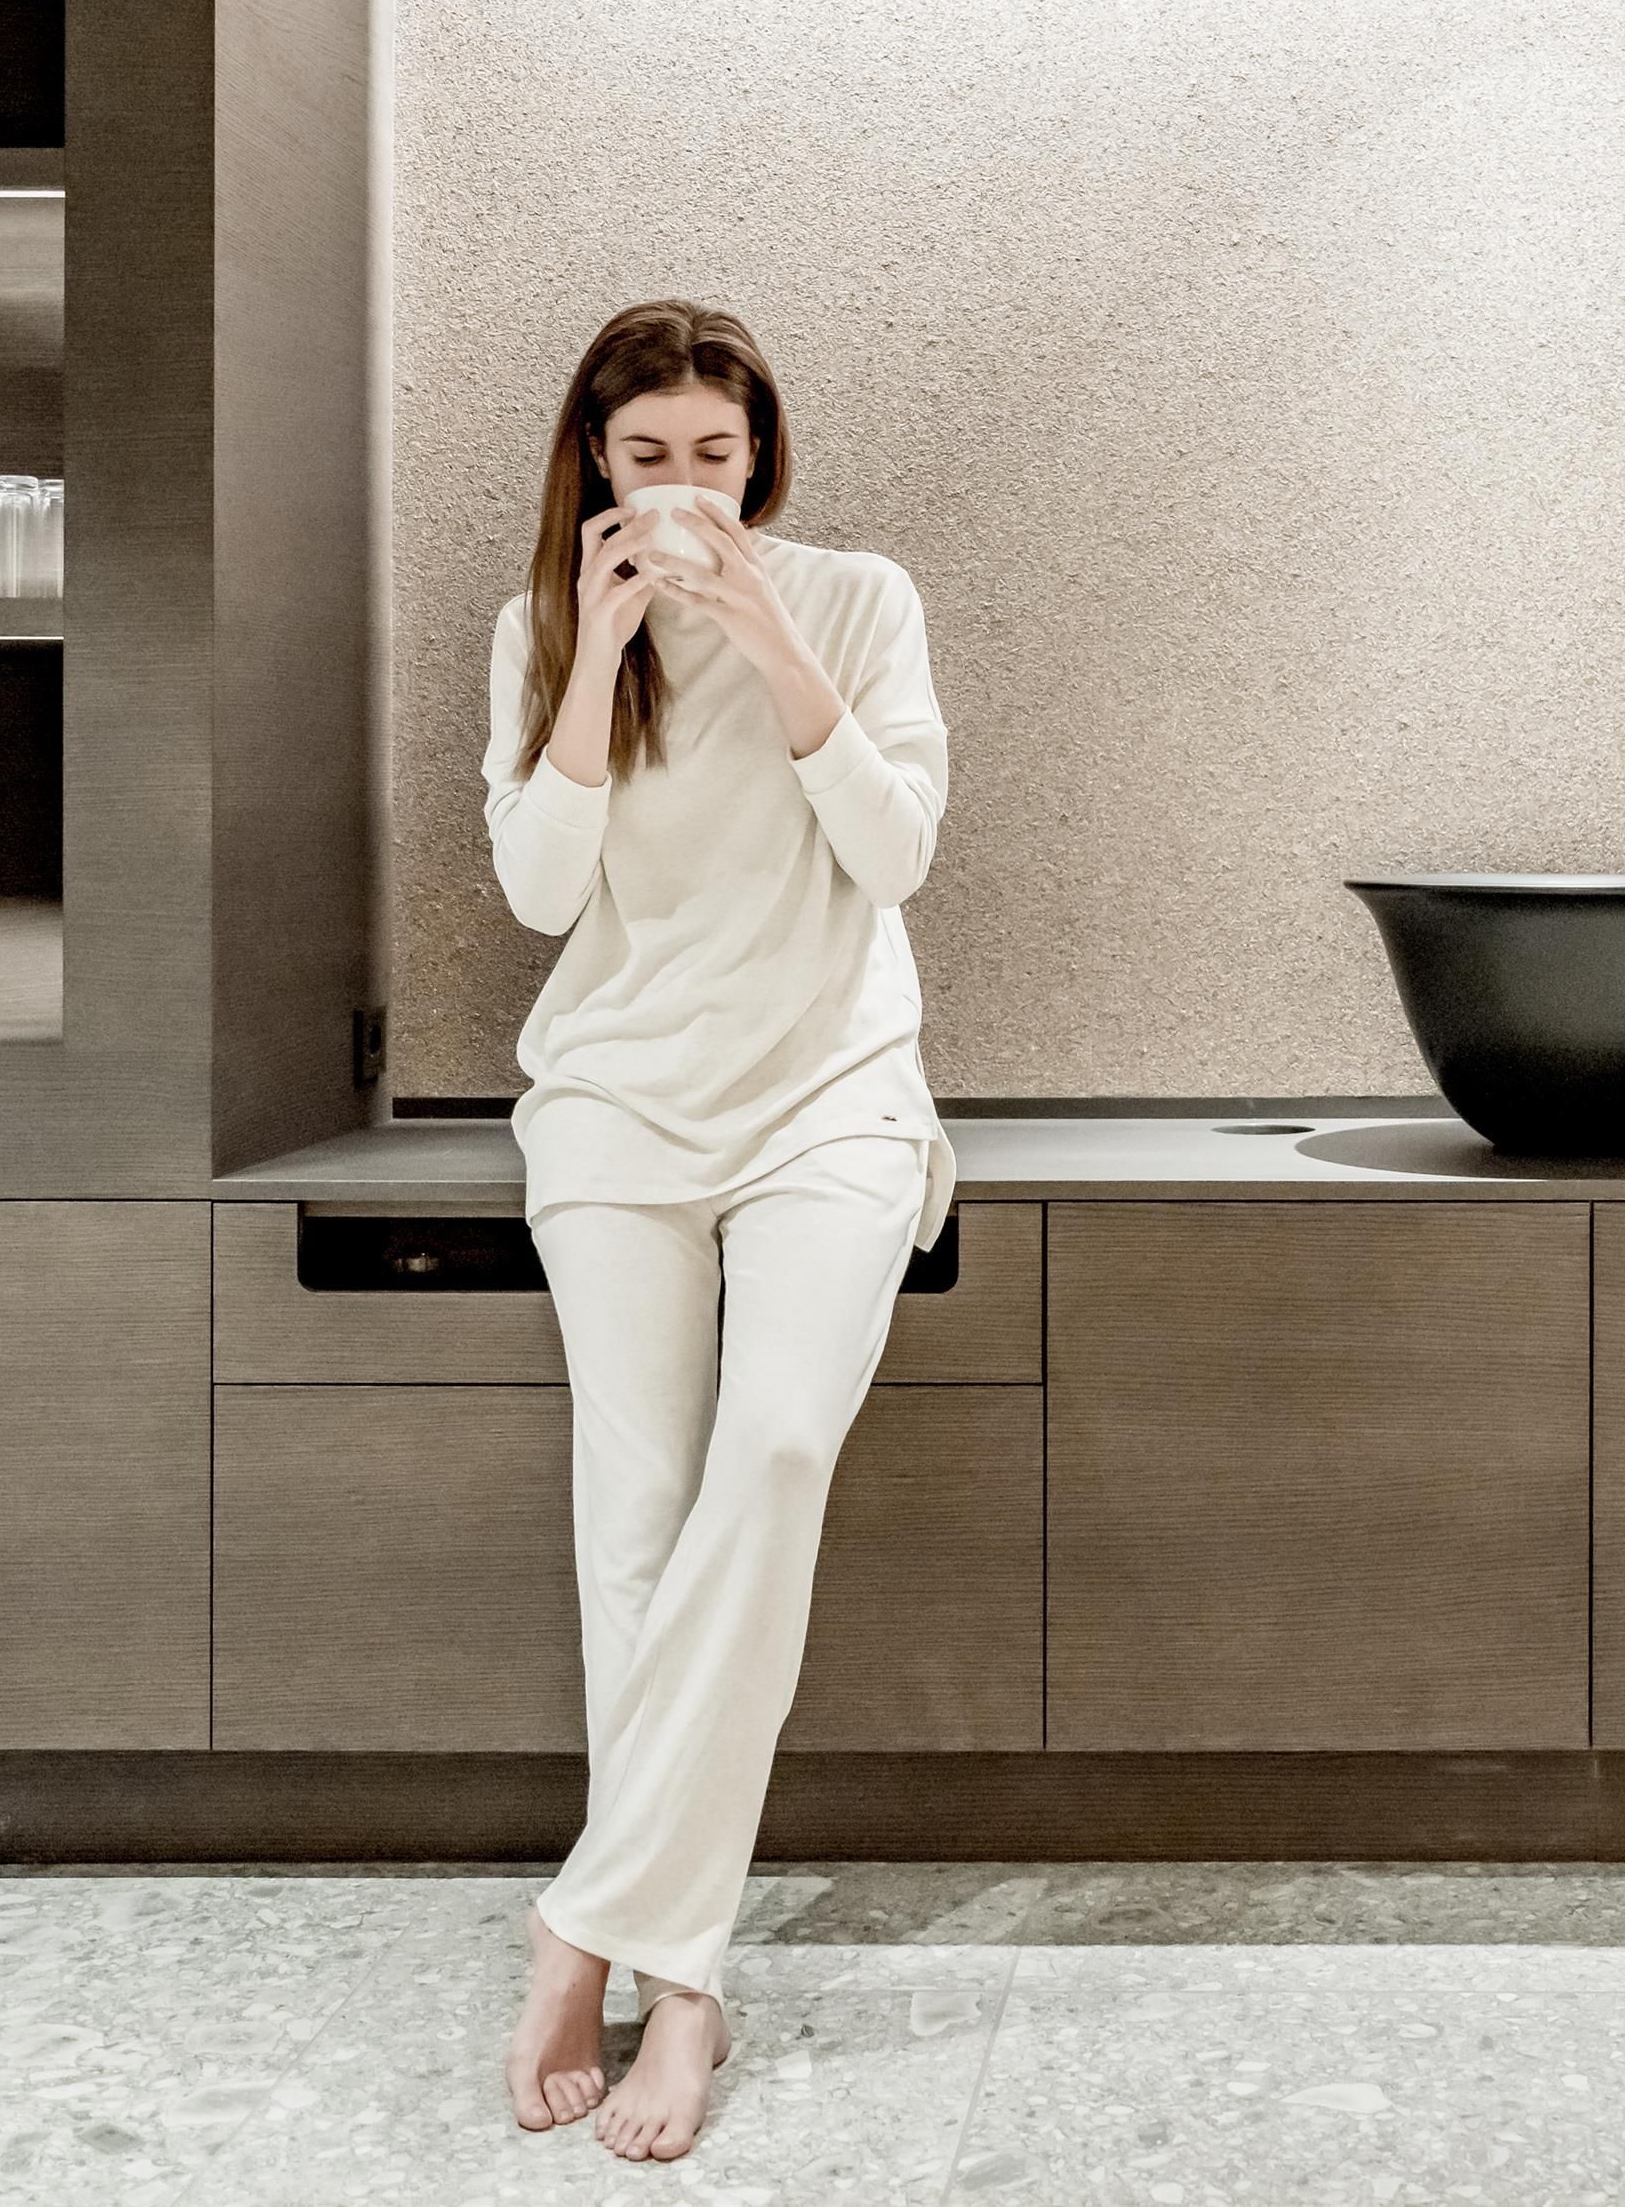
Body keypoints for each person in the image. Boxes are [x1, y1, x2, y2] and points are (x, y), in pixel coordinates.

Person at [478, 299, 957, 2164]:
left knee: (772, 1454)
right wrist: (598, 653)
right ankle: (684, 1985)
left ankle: (593, 1933)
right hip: (618, 1103)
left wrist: (763, 630)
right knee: (635, 1517)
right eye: (648, 454)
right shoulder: (539, 625)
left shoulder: (858, 600)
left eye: (715, 453)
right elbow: (539, 895)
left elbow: (896, 853)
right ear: (596, 462)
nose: (684, 484)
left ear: (759, 458)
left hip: (828, 1095)